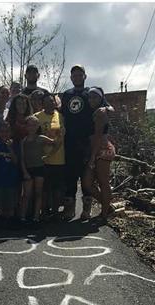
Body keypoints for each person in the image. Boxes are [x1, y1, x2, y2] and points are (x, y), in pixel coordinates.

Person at [61, 64, 113, 220]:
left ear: (84, 76)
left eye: (79, 74)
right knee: (70, 175)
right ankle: (69, 209)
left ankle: (87, 209)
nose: (77, 77)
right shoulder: (67, 94)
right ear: (71, 78)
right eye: (74, 75)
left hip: (87, 141)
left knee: (86, 178)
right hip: (69, 140)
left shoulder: (91, 93)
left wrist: (106, 109)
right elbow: (62, 113)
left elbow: (109, 106)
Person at [81, 87, 116, 221]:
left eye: (95, 97)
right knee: (87, 183)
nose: (92, 100)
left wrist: (92, 158)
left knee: (103, 182)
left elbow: (97, 136)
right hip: (93, 148)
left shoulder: (100, 113)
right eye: (89, 97)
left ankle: (105, 213)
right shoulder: (91, 111)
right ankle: (108, 207)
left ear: (101, 98)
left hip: (101, 149)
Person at [20, 115, 59, 224]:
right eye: (29, 125)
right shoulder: (24, 141)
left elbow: (55, 143)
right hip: (28, 169)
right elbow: (22, 158)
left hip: (39, 168)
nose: (32, 127)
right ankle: (22, 217)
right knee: (26, 194)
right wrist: (24, 171)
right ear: (26, 127)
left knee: (38, 193)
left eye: (34, 125)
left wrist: (48, 155)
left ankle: (36, 217)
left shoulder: (41, 138)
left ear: (37, 126)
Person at [34, 92, 66, 219]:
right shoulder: (37, 117)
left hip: (59, 158)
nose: (50, 103)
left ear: (55, 102)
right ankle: (45, 212)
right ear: (42, 104)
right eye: (46, 101)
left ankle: (55, 212)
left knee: (57, 188)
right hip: (43, 159)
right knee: (44, 189)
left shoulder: (60, 116)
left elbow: (62, 136)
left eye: (52, 101)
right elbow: (34, 137)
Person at [0, 122, 20, 226]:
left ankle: (11, 218)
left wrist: (10, 148)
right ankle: (1, 217)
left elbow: (16, 161)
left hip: (11, 178)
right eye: (2, 132)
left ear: (10, 133)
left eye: (7, 131)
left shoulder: (14, 145)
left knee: (11, 201)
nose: (4, 134)